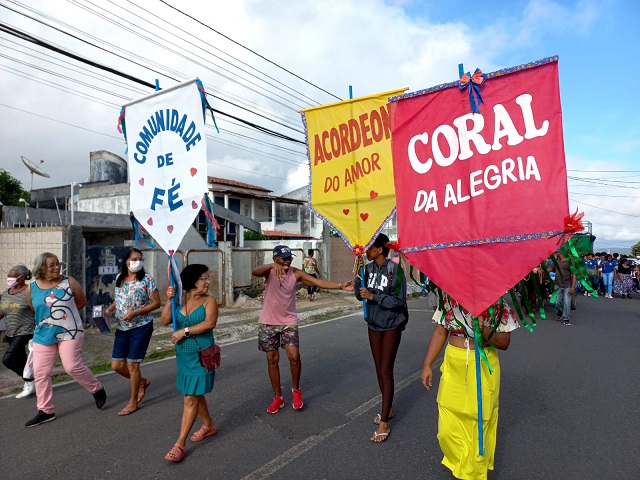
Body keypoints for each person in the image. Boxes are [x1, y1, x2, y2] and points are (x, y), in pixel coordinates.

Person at [421, 295, 519, 480]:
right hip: (454, 367)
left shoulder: (498, 304)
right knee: (446, 431)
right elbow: (440, 332)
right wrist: (427, 364)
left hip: (482, 366)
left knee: (477, 427)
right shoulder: (448, 301)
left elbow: (504, 342)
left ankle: (471, 474)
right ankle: (463, 467)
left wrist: (483, 330)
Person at [251, 245, 353, 414]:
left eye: (289, 258)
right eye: (283, 258)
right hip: (268, 322)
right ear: (275, 258)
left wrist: (341, 286)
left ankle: (296, 390)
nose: (287, 261)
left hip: (289, 321)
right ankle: (278, 397)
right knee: (272, 360)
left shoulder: (295, 273)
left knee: (294, 356)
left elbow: (317, 281)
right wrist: (271, 266)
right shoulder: (268, 271)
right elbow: (255, 271)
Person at [25, 252, 107, 427]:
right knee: (40, 372)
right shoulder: (31, 287)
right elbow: (35, 308)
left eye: (58, 263)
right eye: (52, 265)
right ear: (41, 269)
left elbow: (81, 302)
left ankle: (96, 388)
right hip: (43, 334)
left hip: (70, 332)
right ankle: (45, 410)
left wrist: (64, 317)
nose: (57, 267)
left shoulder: (69, 282)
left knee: (71, 366)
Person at [161, 264, 218, 463]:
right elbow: (165, 320)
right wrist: (170, 300)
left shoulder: (209, 301)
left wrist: (184, 332)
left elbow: (209, 323)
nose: (208, 282)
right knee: (194, 392)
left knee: (190, 398)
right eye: (204, 278)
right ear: (192, 280)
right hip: (183, 356)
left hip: (202, 355)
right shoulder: (181, 299)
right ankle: (208, 425)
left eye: (208, 277)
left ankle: (180, 444)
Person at [354, 233, 407, 443]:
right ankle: (389, 408)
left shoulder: (396, 270)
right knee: (378, 368)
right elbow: (360, 294)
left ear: (380, 249)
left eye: (370, 247)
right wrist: (358, 278)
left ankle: (384, 422)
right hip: (373, 324)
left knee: (386, 369)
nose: (366, 251)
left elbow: (399, 300)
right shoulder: (367, 269)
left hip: (392, 325)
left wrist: (374, 296)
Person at [105, 248, 161, 416]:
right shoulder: (119, 278)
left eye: (140, 259)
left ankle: (133, 402)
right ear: (126, 261)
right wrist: (109, 309)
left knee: (132, 364)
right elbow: (120, 298)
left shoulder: (147, 279)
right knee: (116, 365)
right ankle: (142, 382)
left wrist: (136, 312)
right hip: (122, 327)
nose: (138, 262)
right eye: (134, 259)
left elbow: (157, 303)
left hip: (141, 326)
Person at [0, 265, 36, 398]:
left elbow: (38, 308)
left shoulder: (30, 290)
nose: (9, 278)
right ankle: (31, 383)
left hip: (27, 330)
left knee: (7, 359)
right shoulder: (6, 293)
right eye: (8, 276)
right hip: (11, 332)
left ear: (21, 278)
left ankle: (31, 381)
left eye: (12, 276)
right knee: (21, 360)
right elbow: (1, 312)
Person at [549, 251, 577, 325]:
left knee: (567, 303)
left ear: (560, 253)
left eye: (556, 252)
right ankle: (560, 312)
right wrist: (541, 270)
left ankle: (566, 319)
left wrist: (573, 287)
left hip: (567, 286)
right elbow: (549, 269)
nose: (554, 253)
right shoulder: (556, 261)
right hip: (557, 285)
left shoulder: (569, 262)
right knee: (556, 302)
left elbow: (574, 275)